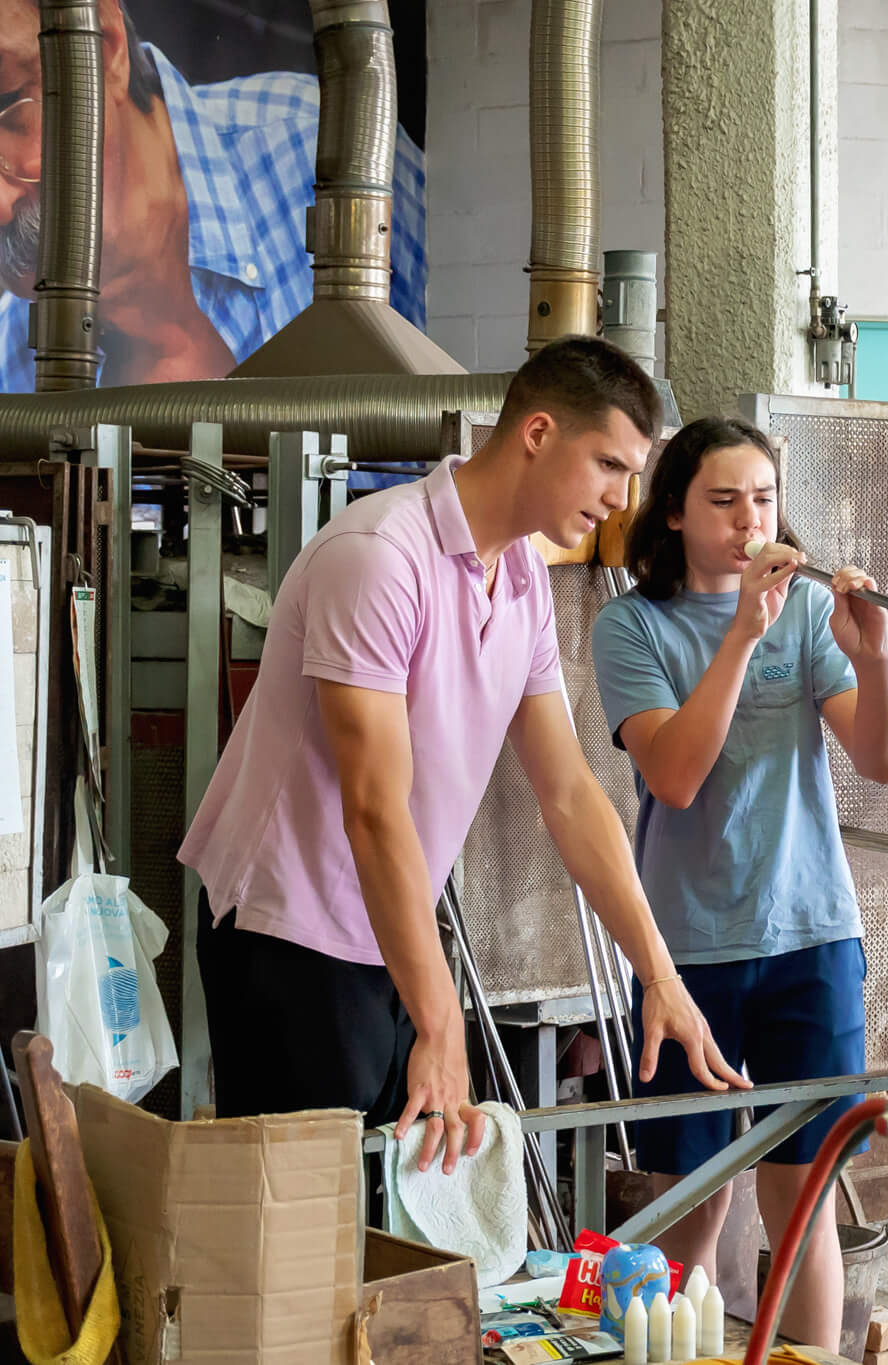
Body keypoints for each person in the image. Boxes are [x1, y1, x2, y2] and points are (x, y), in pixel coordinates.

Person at [180, 337, 743, 1174]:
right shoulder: (378, 557)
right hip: (288, 931)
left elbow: (571, 793)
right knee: (309, 1229)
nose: (621, 499)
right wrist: (440, 1020)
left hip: (387, 927)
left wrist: (656, 972)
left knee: (395, 1219)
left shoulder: (519, 580)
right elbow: (373, 806)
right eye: (608, 466)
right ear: (539, 432)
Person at [590, 416, 888, 1349]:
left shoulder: (807, 613)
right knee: (692, 1204)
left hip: (813, 938)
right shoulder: (633, 625)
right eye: (723, 501)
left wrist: (876, 652)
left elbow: (883, 759)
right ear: (677, 514)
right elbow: (675, 777)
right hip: (689, 957)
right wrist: (737, 638)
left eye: (762, 500)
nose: (746, 521)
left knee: (803, 1202)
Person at [0, 0, 427, 391]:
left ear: (106, 47)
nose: (0, 206)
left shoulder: (327, 149)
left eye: (10, 101)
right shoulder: (7, 370)